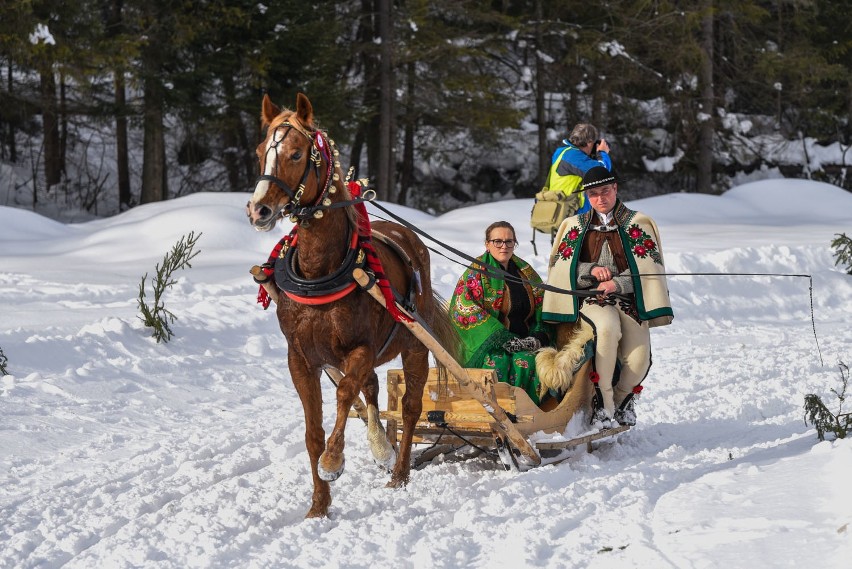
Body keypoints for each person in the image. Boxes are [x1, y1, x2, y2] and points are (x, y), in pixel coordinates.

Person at [541, 166, 673, 427]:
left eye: (604, 191)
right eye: (593, 194)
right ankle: (604, 406)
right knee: (607, 328)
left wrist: (618, 283)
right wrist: (591, 270)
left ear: (615, 189)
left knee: (639, 360)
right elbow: (561, 268)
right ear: (587, 197)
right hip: (592, 300)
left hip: (628, 300)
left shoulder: (639, 224)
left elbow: (649, 270)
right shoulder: (573, 226)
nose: (600, 198)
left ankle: (623, 401)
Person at [450, 221, 552, 405]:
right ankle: (494, 409)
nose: (503, 246)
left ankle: (523, 410)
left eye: (509, 242)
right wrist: (503, 339)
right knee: (498, 364)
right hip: (489, 343)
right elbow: (463, 309)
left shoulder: (526, 273)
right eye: (497, 241)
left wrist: (536, 337)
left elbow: (542, 305)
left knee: (528, 362)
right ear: (487, 244)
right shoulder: (475, 274)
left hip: (524, 342)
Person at [545, 123, 613, 216]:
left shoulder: (562, 152)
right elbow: (601, 172)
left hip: (562, 208)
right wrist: (602, 153)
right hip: (572, 213)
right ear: (589, 142)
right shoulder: (572, 156)